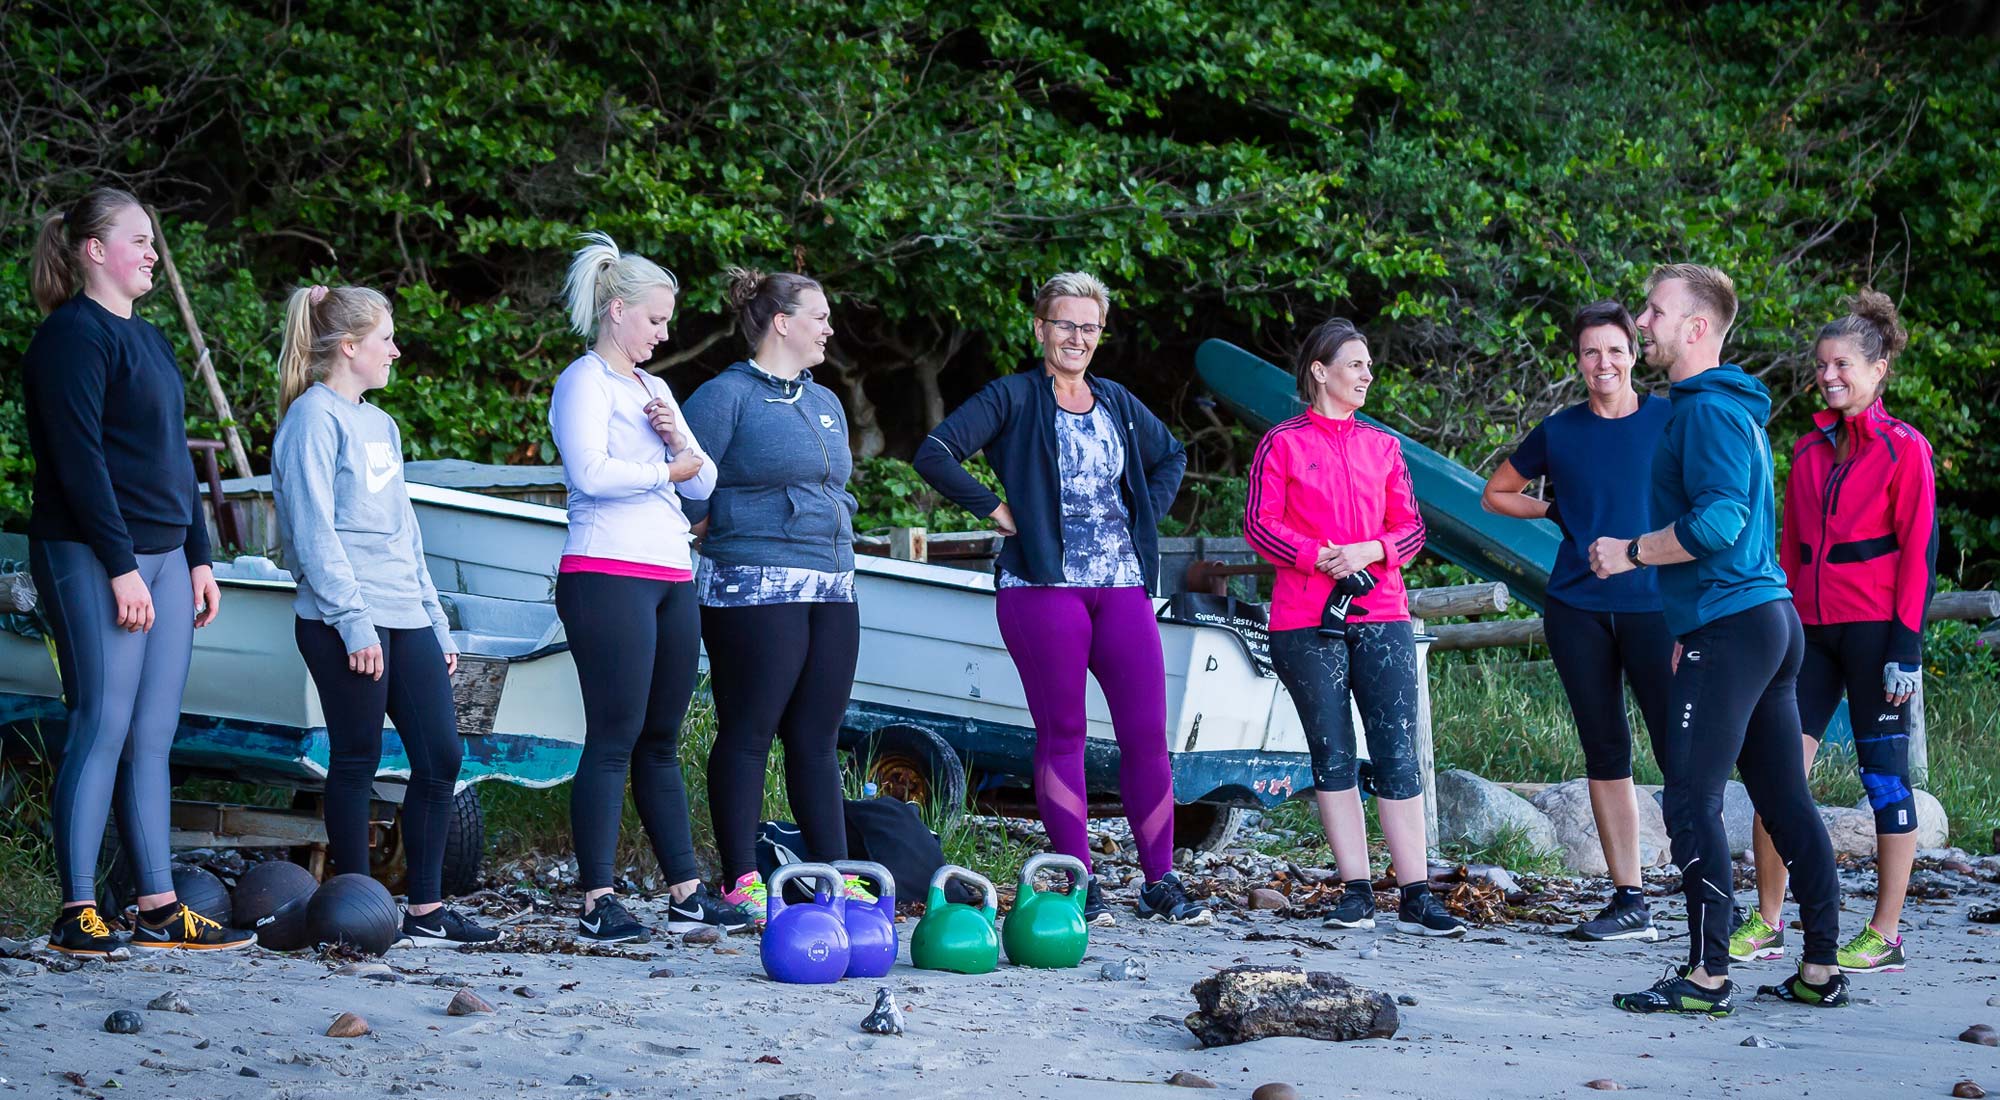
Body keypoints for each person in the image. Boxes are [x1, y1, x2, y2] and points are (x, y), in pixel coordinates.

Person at [914, 272, 1209, 926]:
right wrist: (1000, 511)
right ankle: (1079, 881)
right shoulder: (1012, 397)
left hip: (1121, 585)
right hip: (1042, 589)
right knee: (1064, 734)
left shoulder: (1119, 403)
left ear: (1100, 334)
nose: (1077, 337)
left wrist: (1141, 523)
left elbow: (1170, 459)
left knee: (1146, 736)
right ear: (1041, 328)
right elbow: (935, 455)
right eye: (1065, 325)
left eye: (1089, 327)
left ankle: (1160, 881)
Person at [1592, 264, 1845, 1015]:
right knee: (1784, 801)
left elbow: (1719, 524)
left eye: (1656, 311)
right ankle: (1821, 971)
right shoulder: (1728, 408)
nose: (1643, 323)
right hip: (1757, 622)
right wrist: (1689, 624)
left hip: (1737, 626)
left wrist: (1631, 551)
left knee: (1691, 799)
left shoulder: (1705, 413)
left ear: (1696, 328)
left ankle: (1706, 977)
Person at [23, 187, 251, 954]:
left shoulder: (149, 340)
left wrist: (199, 558)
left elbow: (174, 462)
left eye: (154, 242)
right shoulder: (70, 339)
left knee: (153, 733)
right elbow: (78, 462)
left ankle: (158, 906)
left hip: (162, 559)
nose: (154, 253)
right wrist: (121, 567)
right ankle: (76, 911)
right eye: (140, 241)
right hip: (91, 556)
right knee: (101, 724)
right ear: (94, 250)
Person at [272, 284, 497, 947]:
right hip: (346, 620)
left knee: (441, 756)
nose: (396, 350)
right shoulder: (312, 420)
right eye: (386, 339)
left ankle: (425, 914)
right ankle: (356, 914)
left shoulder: (380, 423)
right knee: (358, 757)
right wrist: (352, 621)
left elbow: (404, 533)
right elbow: (313, 535)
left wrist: (435, 619)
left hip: (405, 613)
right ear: (350, 348)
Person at [1730, 290, 1934, 974]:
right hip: (1807, 635)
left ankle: (1886, 932)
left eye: (1842, 363)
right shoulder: (1809, 450)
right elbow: (1786, 549)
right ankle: (1767, 920)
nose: (1828, 375)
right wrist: (1772, 624)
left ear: (1878, 370)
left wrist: (1907, 647)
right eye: (1821, 365)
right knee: (1775, 774)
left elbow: (1919, 554)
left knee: (1885, 782)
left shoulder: (1907, 449)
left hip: (1878, 636)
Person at [548, 235, 744, 943]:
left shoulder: (653, 389)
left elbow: (708, 481)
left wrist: (673, 443)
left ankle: (686, 890)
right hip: (606, 574)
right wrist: (669, 469)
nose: (664, 334)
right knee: (613, 736)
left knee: (660, 740)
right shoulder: (583, 382)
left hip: (670, 575)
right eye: (657, 320)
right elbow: (590, 475)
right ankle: (597, 898)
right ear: (617, 310)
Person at [1243, 317, 1462, 938]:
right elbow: (1260, 525)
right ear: (1320, 370)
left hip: (1383, 613)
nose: (1368, 375)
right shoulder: (1281, 443)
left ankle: (1416, 893)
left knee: (1396, 751)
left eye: (1369, 365)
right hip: (1304, 619)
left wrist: (1367, 551)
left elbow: (1412, 529)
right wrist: (1318, 556)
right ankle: (1357, 890)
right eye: (1355, 364)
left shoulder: (1383, 447)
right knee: (1331, 751)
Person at [1481, 301, 1674, 942]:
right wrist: (1551, 510)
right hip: (1578, 608)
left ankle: (1709, 895)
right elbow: (1495, 493)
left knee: (1684, 754)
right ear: (1579, 360)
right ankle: (1630, 898)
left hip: (1658, 605)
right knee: (1605, 751)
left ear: (1634, 352)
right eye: (1591, 352)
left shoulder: (1670, 418)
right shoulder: (1559, 430)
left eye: (1615, 350)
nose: (1604, 363)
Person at [681, 267, 868, 927]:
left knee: (817, 736)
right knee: (751, 731)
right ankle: (740, 881)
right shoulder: (724, 396)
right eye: (819, 317)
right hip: (752, 584)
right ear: (782, 322)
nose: (829, 329)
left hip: (831, 581)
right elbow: (689, 491)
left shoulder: (825, 401)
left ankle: (837, 878)